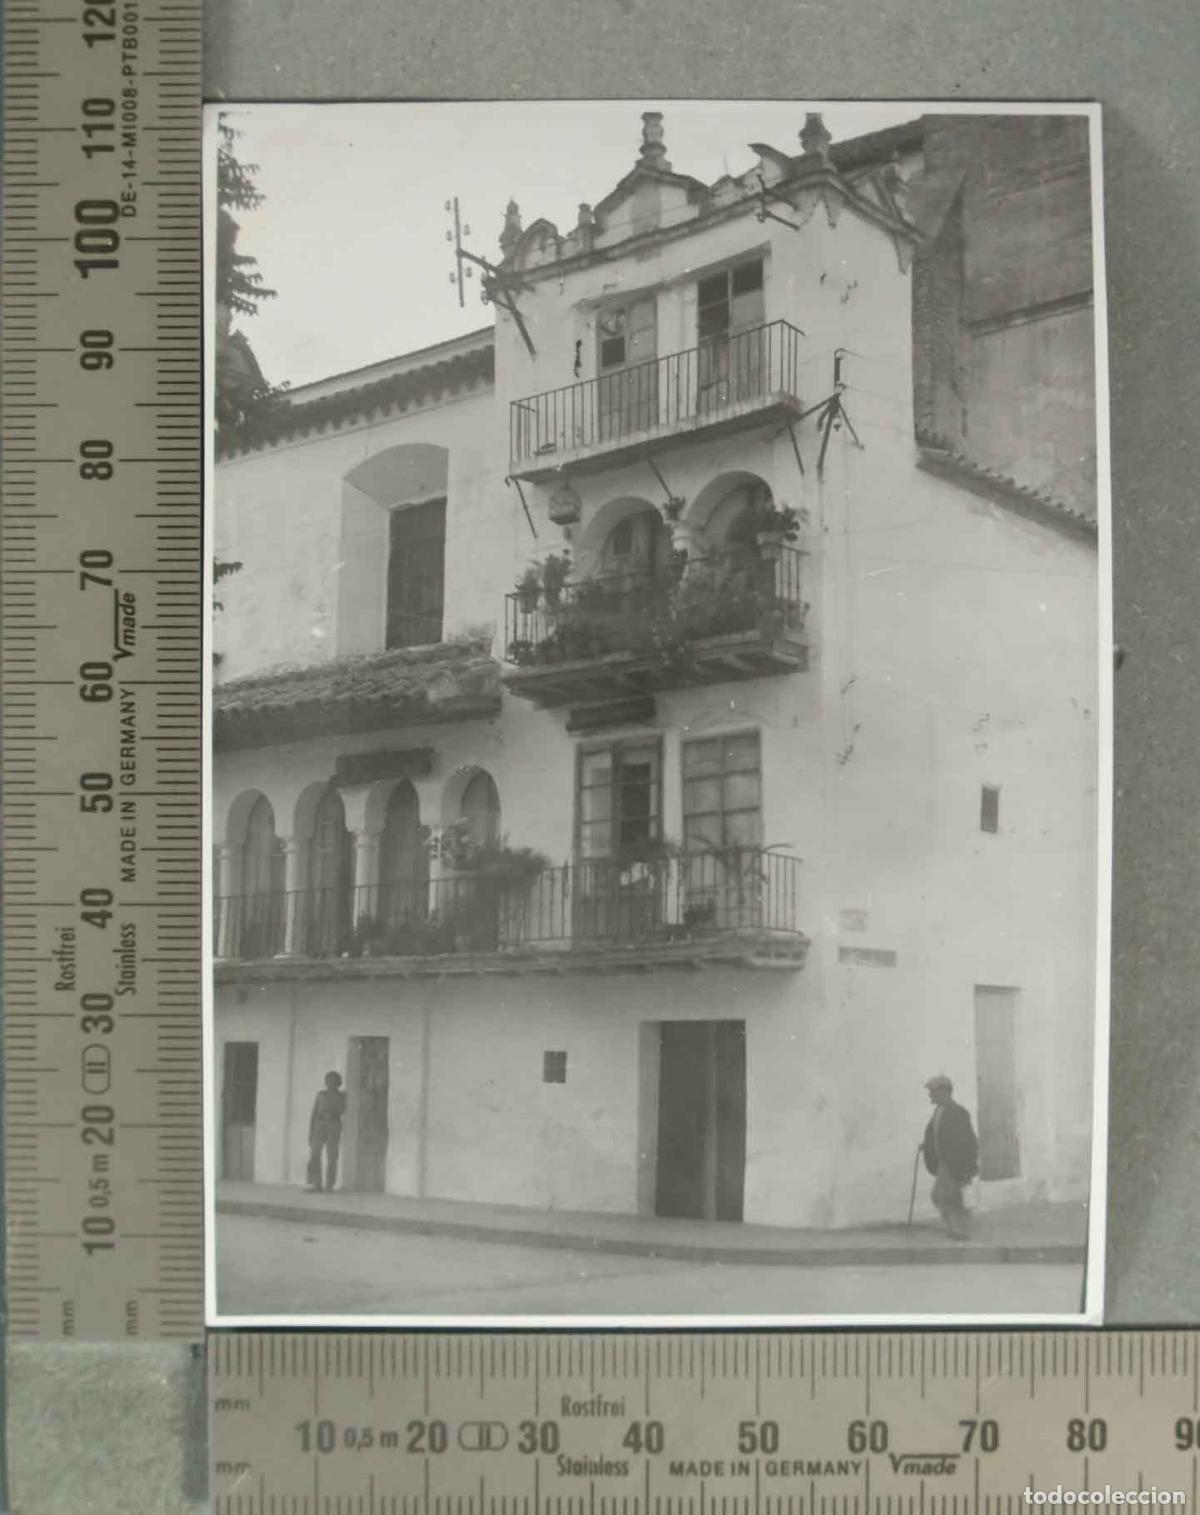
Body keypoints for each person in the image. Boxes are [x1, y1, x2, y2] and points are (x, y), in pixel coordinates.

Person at [921, 1073, 978, 1239]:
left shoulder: (958, 1112)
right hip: (943, 1163)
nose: (930, 1095)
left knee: (951, 1198)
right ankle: (955, 1229)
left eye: (933, 1091)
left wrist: (968, 1168)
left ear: (944, 1092)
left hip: (955, 1163)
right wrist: (925, 1146)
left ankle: (960, 1231)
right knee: (942, 1196)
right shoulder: (938, 1111)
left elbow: (969, 1141)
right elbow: (935, 1134)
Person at [305, 1071, 346, 1193]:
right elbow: (314, 1113)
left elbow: (342, 1110)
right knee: (314, 1154)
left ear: (338, 1083)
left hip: (333, 1124)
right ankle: (316, 1184)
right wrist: (311, 1132)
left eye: (333, 1080)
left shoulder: (342, 1096)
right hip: (319, 1124)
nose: (330, 1083)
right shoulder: (320, 1095)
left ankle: (329, 1185)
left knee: (332, 1155)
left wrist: (331, 1111)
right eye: (328, 1080)